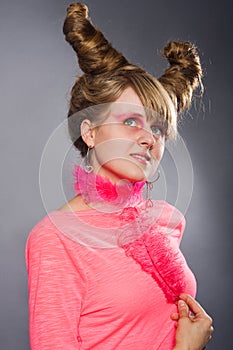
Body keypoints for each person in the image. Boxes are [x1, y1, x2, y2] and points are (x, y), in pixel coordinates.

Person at [26, 2, 214, 349]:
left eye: (158, 129)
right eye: (130, 122)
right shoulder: (55, 239)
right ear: (90, 132)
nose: (148, 138)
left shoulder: (167, 221)